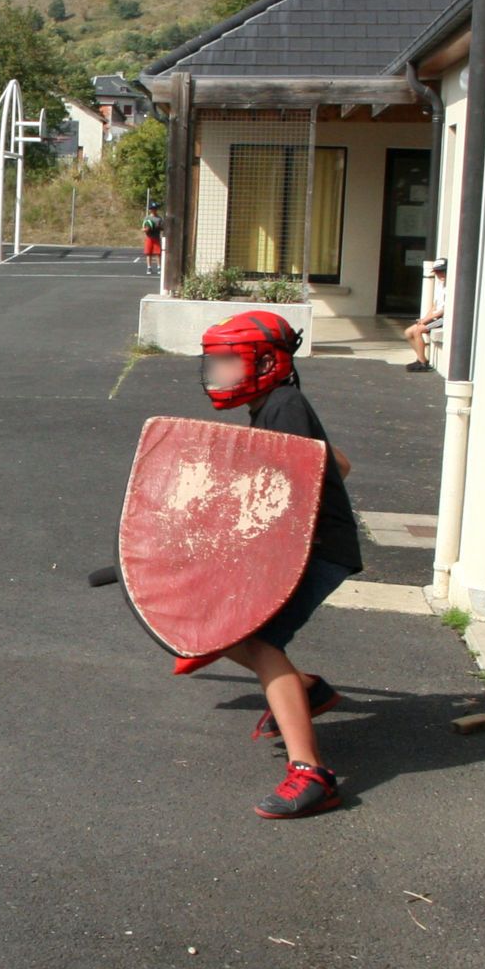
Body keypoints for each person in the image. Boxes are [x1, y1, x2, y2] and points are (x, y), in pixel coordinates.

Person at [198, 311, 360, 819]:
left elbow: (284, 493)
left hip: (318, 550)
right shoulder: (276, 405)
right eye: (214, 363)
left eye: (228, 362)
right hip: (316, 545)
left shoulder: (284, 406)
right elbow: (339, 462)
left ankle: (312, 774)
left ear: (267, 362)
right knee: (228, 635)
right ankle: (307, 691)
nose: (217, 373)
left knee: (255, 641)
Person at [403, 260, 447, 372]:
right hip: (434, 317)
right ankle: (421, 358)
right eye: (437, 272)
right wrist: (424, 319)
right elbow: (434, 306)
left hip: (442, 319)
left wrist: (427, 319)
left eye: (442, 271)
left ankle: (422, 363)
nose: (440, 275)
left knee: (418, 331)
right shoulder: (440, 285)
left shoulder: (450, 288)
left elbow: (443, 310)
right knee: (408, 332)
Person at [141, 203, 165, 278]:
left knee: (158, 253)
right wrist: (146, 229)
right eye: (152, 208)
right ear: (150, 210)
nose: (153, 210)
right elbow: (143, 228)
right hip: (149, 238)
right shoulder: (147, 218)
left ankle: (159, 267)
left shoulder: (159, 218)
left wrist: (158, 227)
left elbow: (163, 227)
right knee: (148, 253)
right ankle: (149, 267)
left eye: (155, 208)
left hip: (156, 237)